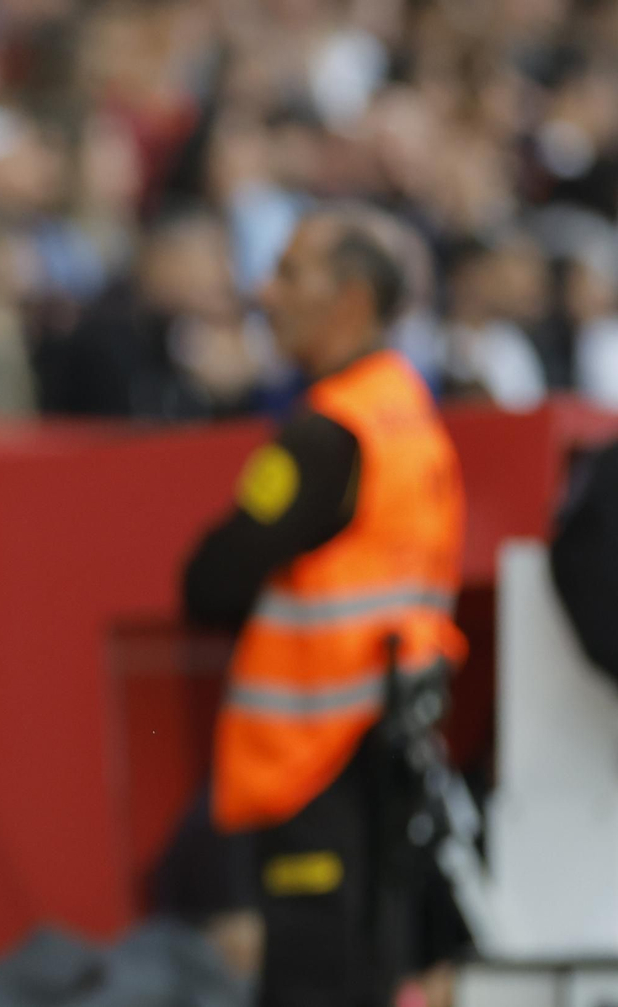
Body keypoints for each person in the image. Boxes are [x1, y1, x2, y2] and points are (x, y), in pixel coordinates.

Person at [182, 208, 468, 1007]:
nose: (264, 293)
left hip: (313, 764)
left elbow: (208, 582)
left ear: (347, 299)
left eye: (289, 272)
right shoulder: (407, 411)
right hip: (387, 751)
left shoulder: (329, 431)